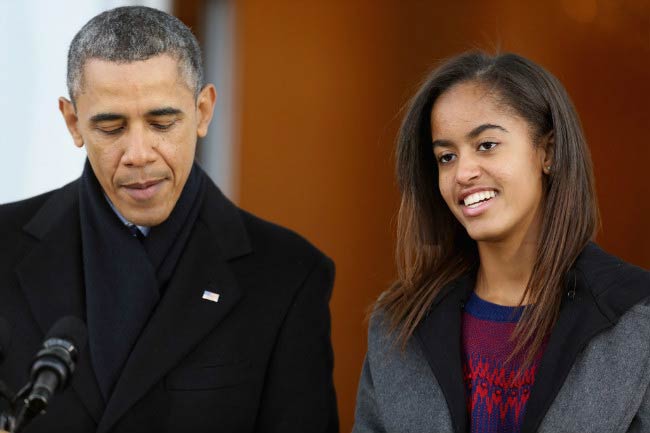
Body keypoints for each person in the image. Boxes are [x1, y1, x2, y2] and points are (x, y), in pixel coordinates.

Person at [0, 6, 338, 433]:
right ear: (73, 122)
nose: (139, 153)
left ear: (203, 110)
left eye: (162, 123)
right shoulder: (4, 247)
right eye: (111, 128)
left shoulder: (287, 275)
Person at [353, 51, 650, 433]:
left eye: (486, 145)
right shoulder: (397, 325)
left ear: (549, 152)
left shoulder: (637, 319)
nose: (463, 172)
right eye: (446, 156)